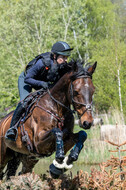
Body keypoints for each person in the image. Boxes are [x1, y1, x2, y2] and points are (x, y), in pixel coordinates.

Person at [5, 41, 73, 141]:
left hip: (43, 83)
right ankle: (12, 128)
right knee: (25, 102)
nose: (65, 60)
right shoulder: (42, 63)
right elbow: (27, 78)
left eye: (66, 58)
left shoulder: (62, 65)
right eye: (63, 57)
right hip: (27, 80)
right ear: (55, 56)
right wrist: (41, 84)